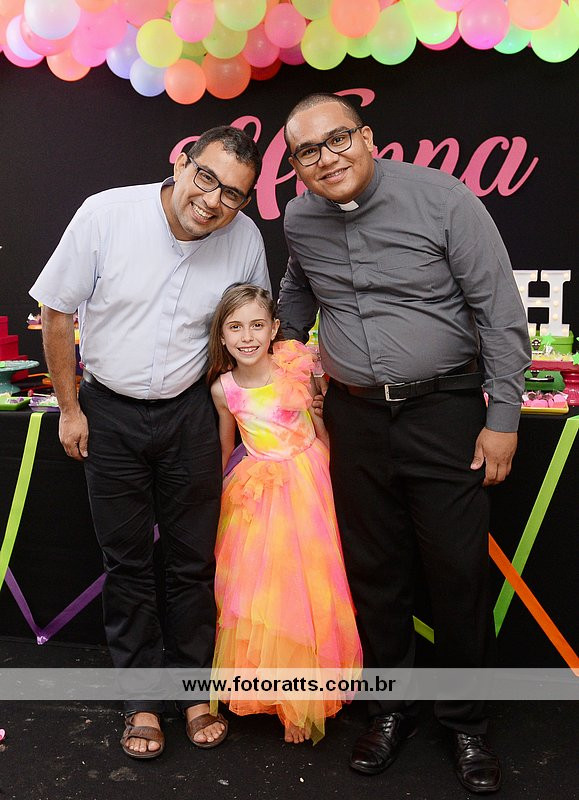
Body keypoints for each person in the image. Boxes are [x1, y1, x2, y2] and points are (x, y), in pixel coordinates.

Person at [278, 93, 531, 792]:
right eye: (307, 151)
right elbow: (297, 288)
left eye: (337, 140)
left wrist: (504, 417)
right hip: (354, 421)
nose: (326, 159)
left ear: (366, 137)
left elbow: (499, 312)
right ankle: (388, 710)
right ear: (294, 165)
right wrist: (283, 353)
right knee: (374, 574)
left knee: (455, 574)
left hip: (444, 412)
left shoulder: (444, 199)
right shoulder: (299, 219)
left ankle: (466, 724)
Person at [29, 127, 271, 759]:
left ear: (246, 201)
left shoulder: (245, 240)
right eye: (207, 178)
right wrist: (70, 408)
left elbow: (249, 329)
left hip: (192, 414)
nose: (213, 201)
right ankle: (141, 700)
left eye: (234, 194)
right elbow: (56, 311)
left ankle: (194, 691)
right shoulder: (106, 214)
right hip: (108, 411)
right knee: (128, 562)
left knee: (193, 561)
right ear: (182, 163)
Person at [206, 284, 362, 744]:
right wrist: (215, 501)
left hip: (309, 483)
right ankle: (273, 694)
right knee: (263, 594)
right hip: (256, 494)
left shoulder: (296, 366)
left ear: (274, 327)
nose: (247, 336)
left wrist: (336, 474)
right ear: (222, 335)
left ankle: (304, 702)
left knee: (310, 586)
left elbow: (320, 427)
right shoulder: (223, 389)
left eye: (257, 325)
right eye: (236, 327)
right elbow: (225, 448)